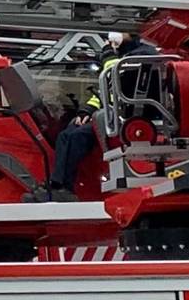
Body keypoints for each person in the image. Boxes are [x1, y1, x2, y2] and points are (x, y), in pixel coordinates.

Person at [47, 34, 156, 198]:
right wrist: (87, 111)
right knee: (67, 133)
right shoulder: (122, 57)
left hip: (128, 117)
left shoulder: (144, 53)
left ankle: (63, 186)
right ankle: (58, 184)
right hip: (112, 115)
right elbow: (103, 92)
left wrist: (108, 54)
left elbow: (115, 77)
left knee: (77, 136)